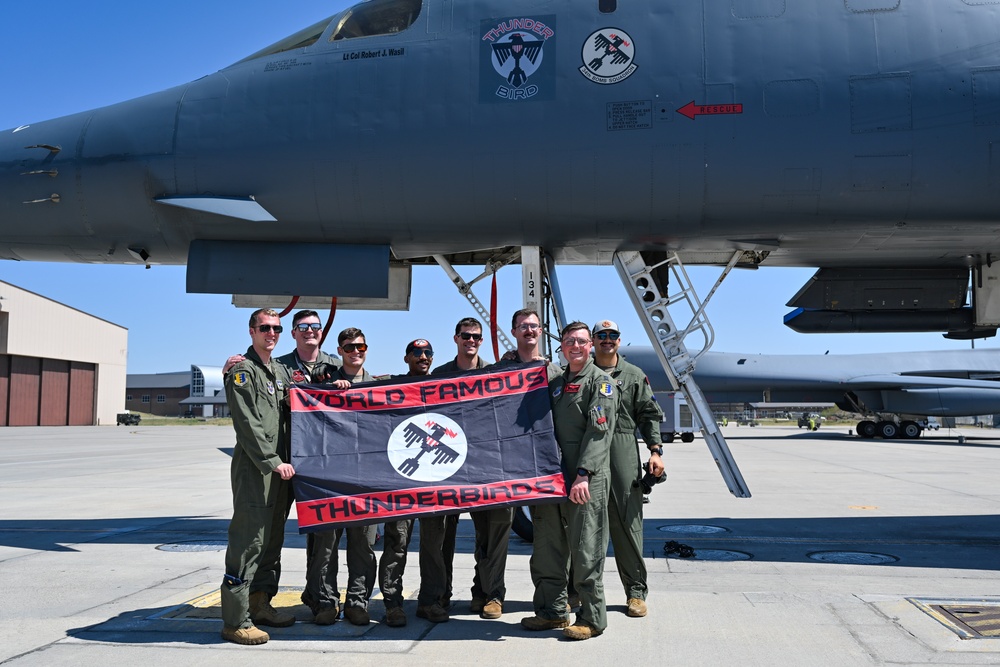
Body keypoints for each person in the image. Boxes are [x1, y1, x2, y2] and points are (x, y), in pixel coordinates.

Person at [521, 321, 618, 641]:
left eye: (580, 341)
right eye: (568, 341)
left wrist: (584, 475)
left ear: (590, 345)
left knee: (586, 550)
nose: (574, 347)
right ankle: (552, 611)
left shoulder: (600, 383)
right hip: (554, 477)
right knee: (548, 545)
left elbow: (599, 433)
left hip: (583, 479)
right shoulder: (559, 382)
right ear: (561, 345)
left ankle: (592, 618)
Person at [220, 308, 296, 645]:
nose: (272, 333)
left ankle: (260, 604)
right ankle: (235, 620)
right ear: (252, 331)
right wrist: (271, 460)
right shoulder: (242, 371)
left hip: (282, 471)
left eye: (277, 328)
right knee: (249, 541)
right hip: (257, 468)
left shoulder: (279, 371)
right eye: (265, 328)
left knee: (272, 540)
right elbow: (247, 423)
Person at [303, 327, 380, 627]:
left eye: (360, 346)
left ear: (366, 349)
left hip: (366, 479)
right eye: (349, 347)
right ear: (340, 350)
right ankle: (326, 602)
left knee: (363, 545)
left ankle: (358, 602)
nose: (355, 352)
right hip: (330, 478)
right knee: (326, 545)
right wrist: (329, 392)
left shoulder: (378, 386)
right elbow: (298, 403)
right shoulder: (324, 382)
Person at [591, 320, 664, 618]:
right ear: (593, 340)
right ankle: (577, 592)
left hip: (622, 450)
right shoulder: (581, 372)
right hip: (589, 450)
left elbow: (648, 415)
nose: (607, 340)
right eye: (602, 335)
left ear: (619, 341)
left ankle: (636, 592)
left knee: (628, 523)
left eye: (613, 336)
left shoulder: (633, 376)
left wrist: (656, 450)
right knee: (584, 526)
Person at [429, 319, 492, 616]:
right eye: (466, 336)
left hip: (482, 467)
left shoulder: (494, 373)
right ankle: (441, 593)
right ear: (456, 338)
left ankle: (484, 592)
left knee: (486, 534)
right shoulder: (440, 375)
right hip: (447, 467)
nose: (471, 341)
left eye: (476, 337)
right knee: (445, 535)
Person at [378, 338, 439, 627]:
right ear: (406, 358)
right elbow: (359, 383)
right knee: (397, 542)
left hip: (435, 480)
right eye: (417, 353)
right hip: (401, 481)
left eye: (428, 353)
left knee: (433, 544)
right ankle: (392, 603)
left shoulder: (443, 387)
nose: (423, 357)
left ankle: (429, 601)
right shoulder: (392, 384)